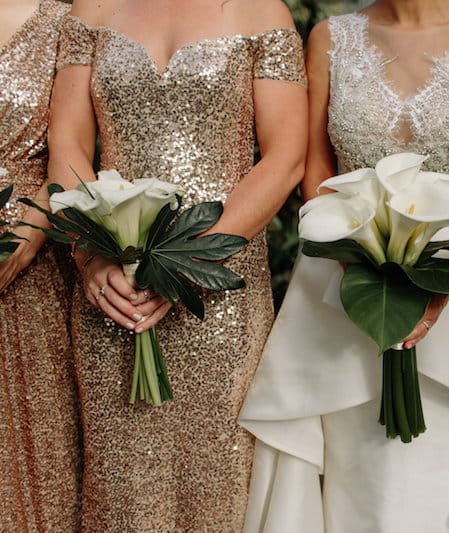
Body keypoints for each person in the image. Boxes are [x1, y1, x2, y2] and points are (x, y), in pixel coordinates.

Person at [238, 0, 449, 531]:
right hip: (344, 288)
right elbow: (317, 173)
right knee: (358, 483)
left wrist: (444, 279)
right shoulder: (330, 36)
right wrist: (361, 264)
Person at [47, 0, 307, 529]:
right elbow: (67, 144)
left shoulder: (263, 11)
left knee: (218, 477)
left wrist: (187, 264)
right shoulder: (90, 9)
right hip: (112, 289)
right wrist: (90, 254)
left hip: (219, 296)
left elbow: (284, 159)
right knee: (120, 485)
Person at [0, 0, 81, 529]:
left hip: (33, 274)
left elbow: (83, 142)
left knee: (39, 459)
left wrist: (36, 215)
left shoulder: (73, 14)